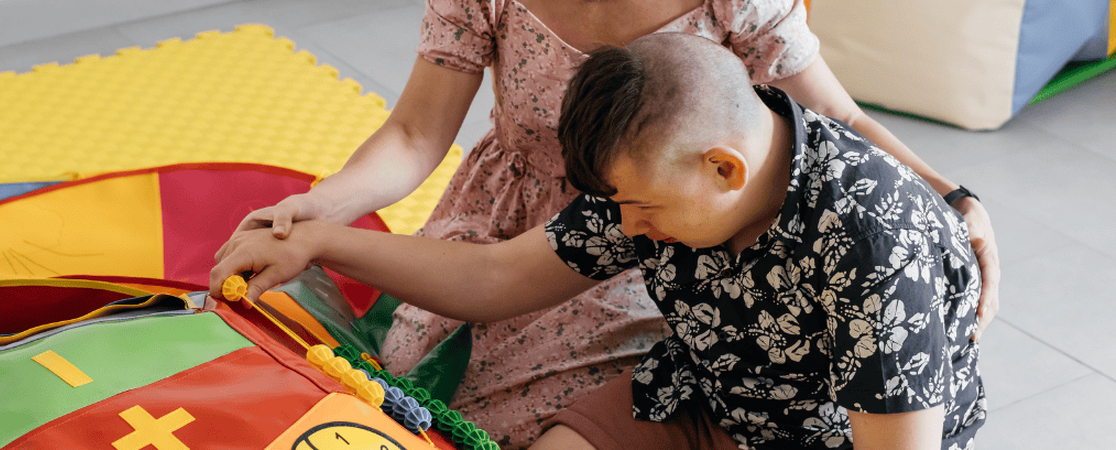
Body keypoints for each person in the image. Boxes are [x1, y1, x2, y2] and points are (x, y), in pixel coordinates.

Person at [224, 0, 998, 445]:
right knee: (428, 398)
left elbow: (835, 116)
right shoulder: (633, 200)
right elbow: (443, 181)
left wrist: (953, 198)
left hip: (698, 277)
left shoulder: (759, 196)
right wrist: (319, 221)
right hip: (634, 276)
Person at [210, 33, 986, 450]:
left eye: (644, 209)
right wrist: (320, 240)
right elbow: (497, 278)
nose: (633, 227)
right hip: (701, 394)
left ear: (725, 168)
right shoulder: (659, 179)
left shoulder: (875, 243)